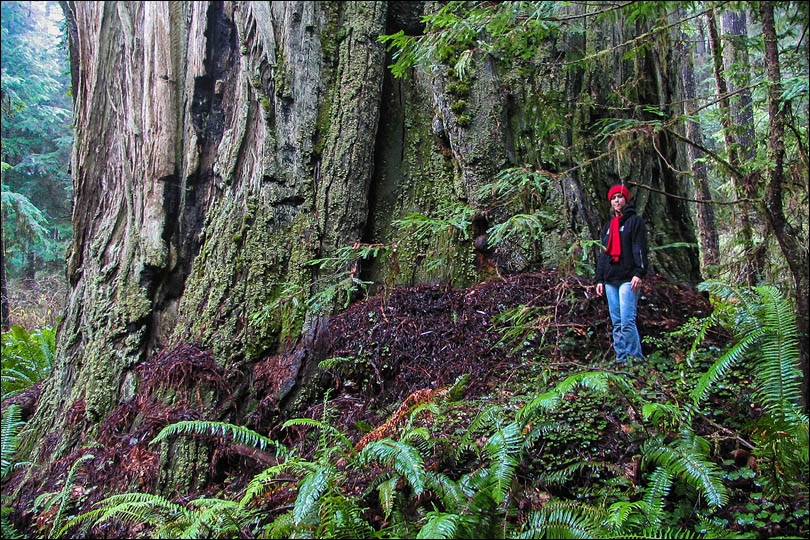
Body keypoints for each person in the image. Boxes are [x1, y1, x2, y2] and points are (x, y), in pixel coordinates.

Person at [595, 185, 648, 363]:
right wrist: (599, 279)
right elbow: (604, 254)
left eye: (620, 197)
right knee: (617, 323)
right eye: (613, 198)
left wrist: (639, 273)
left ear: (626, 199)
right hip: (610, 279)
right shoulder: (608, 226)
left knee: (627, 322)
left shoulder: (634, 222)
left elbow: (639, 248)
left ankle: (636, 360)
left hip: (628, 278)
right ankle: (622, 359)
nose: (617, 200)